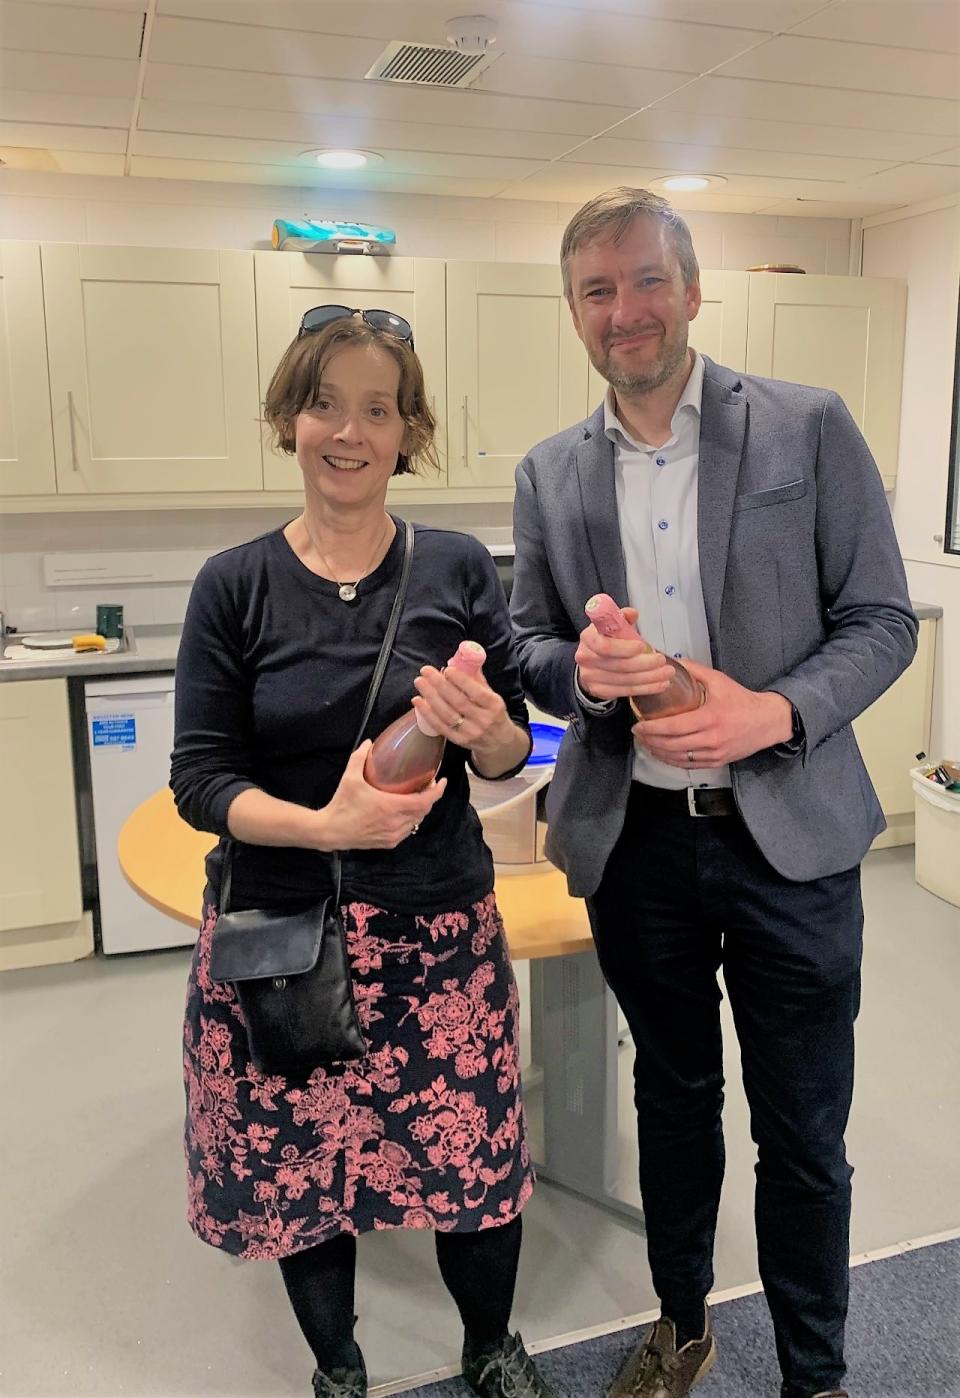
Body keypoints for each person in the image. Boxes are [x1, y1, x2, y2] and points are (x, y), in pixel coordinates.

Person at [509, 188, 918, 1398]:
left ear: (691, 288)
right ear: (575, 314)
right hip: (638, 846)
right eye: (597, 290)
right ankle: (681, 1325)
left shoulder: (807, 427)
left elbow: (882, 620)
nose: (624, 310)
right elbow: (531, 641)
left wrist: (771, 712)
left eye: (645, 280)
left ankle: (816, 1377)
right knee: (674, 1103)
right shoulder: (550, 474)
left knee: (801, 1133)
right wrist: (578, 673)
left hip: (792, 839)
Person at [171, 306, 558, 1398]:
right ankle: (339, 1368)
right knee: (306, 1176)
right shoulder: (232, 585)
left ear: (408, 431)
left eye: (377, 408)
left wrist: (493, 738)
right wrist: (326, 827)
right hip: (284, 933)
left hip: (437, 936)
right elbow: (201, 781)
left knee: (471, 1169)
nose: (349, 429)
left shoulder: (456, 570)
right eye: (324, 402)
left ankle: (492, 1351)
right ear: (288, 418)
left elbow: (516, 745)